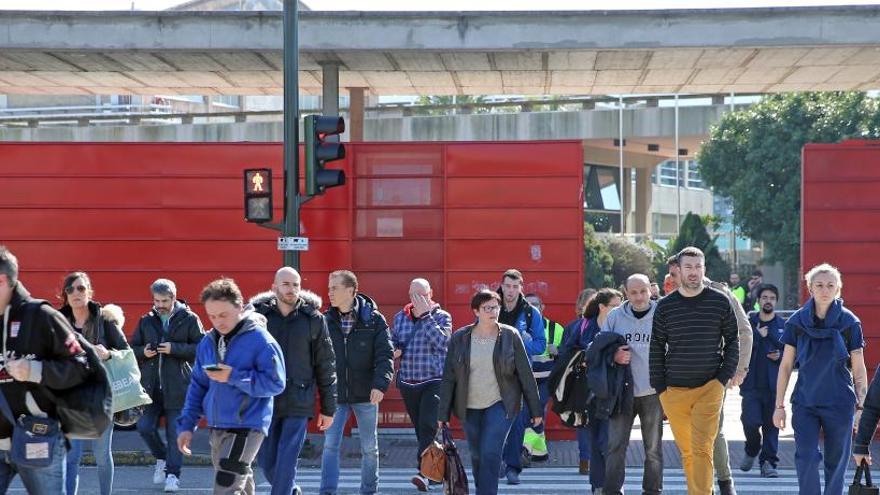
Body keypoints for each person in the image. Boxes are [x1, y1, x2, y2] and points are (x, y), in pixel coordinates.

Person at [176, 278, 286, 495]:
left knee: (226, 485)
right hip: (218, 425)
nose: (218, 321)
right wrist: (186, 426)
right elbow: (198, 386)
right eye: (212, 316)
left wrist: (233, 376)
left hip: (247, 425)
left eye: (223, 315)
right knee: (239, 486)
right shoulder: (207, 343)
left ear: (240, 307)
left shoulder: (261, 341)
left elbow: (275, 383)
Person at [0, 246, 92, 494]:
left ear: (3, 281)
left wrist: (34, 370)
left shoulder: (41, 316)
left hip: (38, 436)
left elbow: (80, 367)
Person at [650, 247, 739, 495]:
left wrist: (722, 378)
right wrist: (660, 387)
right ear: (678, 270)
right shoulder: (666, 307)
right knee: (689, 452)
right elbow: (656, 346)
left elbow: (733, 340)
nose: (693, 272)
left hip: (710, 387)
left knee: (701, 448)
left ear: (704, 269)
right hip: (673, 390)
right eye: (688, 267)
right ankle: (703, 490)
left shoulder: (719, 302)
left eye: (698, 267)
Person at [774, 263, 867, 495]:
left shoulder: (850, 323)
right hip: (805, 402)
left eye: (830, 285)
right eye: (819, 285)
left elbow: (858, 368)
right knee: (806, 457)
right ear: (810, 288)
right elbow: (785, 367)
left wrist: (861, 406)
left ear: (838, 289)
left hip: (840, 403)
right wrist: (779, 406)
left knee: (836, 462)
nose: (825, 290)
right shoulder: (796, 322)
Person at [437, 289, 542, 495]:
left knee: (491, 452)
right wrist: (443, 413)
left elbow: (525, 375)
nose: (493, 312)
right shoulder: (460, 338)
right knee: (477, 455)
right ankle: (482, 490)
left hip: (501, 404)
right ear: (476, 311)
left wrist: (535, 409)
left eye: (495, 307)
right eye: (487, 308)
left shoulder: (511, 336)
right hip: (469, 406)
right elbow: (449, 377)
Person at [667, 254, 753, 495]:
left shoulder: (721, 294)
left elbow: (744, 332)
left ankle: (724, 482)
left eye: (694, 268)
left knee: (712, 431)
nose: (676, 279)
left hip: (714, 375)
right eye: (677, 273)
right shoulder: (672, 300)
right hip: (680, 378)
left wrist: (739, 369)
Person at [252, 267, 337, 495]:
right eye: (286, 284)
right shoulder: (259, 319)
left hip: (300, 398)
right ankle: (290, 490)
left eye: (296, 284)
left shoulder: (313, 320)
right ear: (274, 287)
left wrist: (328, 408)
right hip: (266, 400)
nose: (291, 289)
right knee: (266, 461)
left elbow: (326, 364)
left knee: (288, 458)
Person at [320, 270, 394, 495]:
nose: (330, 292)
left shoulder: (374, 319)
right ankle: (327, 492)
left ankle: (369, 491)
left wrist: (380, 384)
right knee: (330, 446)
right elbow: (319, 358)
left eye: (335, 288)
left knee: (369, 448)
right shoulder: (325, 320)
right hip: (336, 395)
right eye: (329, 287)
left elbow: (385, 354)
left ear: (351, 291)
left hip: (366, 394)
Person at [131, 278, 205, 493]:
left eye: (164, 301)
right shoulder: (146, 320)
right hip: (150, 387)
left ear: (173, 298)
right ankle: (162, 458)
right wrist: (142, 352)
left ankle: (173, 475)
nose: (160, 305)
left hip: (179, 387)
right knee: (144, 426)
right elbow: (132, 348)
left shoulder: (190, 319)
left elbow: (201, 348)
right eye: (156, 301)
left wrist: (175, 348)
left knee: (175, 433)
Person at [59, 271, 129, 495]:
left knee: (101, 456)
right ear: (65, 295)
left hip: (101, 397)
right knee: (71, 458)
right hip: (71, 398)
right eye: (71, 289)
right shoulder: (59, 321)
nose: (76, 293)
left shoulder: (104, 320)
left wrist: (108, 354)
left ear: (89, 292)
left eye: (81, 288)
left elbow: (126, 352)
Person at [602, 274, 663, 495]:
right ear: (626, 293)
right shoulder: (615, 317)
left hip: (653, 392)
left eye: (643, 291)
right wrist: (614, 354)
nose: (639, 297)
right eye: (634, 292)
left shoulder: (662, 314)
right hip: (622, 391)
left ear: (650, 290)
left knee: (653, 449)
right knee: (615, 447)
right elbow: (599, 348)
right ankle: (612, 491)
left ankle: (652, 491)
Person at [390, 278, 451, 492]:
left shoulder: (442, 317)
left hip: (434, 380)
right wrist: (394, 349)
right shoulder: (400, 317)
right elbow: (394, 341)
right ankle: (435, 472)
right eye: (414, 295)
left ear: (431, 294)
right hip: (409, 381)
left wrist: (426, 316)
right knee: (422, 430)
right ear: (408, 294)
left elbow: (443, 343)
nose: (418, 299)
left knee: (428, 425)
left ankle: (423, 474)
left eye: (422, 295)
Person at [565, 288, 621, 494]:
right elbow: (567, 355)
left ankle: (610, 486)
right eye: (615, 306)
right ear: (602, 307)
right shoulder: (581, 327)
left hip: (612, 392)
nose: (619, 309)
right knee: (596, 442)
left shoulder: (621, 326)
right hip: (586, 393)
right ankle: (598, 485)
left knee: (607, 441)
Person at [497, 269, 546, 484]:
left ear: (521, 288)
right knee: (492, 420)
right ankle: (496, 461)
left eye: (515, 287)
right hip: (491, 374)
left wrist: (524, 339)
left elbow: (541, 345)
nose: (510, 291)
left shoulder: (530, 313)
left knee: (517, 423)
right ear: (501, 285)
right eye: (507, 286)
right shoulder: (491, 307)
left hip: (519, 376)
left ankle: (512, 468)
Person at [739, 284, 784, 478]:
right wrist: (758, 335)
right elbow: (740, 347)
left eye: (772, 298)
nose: (768, 301)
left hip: (774, 387)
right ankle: (752, 448)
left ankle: (768, 463)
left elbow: (793, 355)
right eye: (764, 297)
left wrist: (780, 355)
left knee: (771, 426)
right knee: (750, 422)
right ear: (758, 301)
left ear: (776, 301)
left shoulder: (783, 325)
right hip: (750, 385)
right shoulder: (748, 323)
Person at [521, 293, 564, 463]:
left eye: (536, 304)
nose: (532, 307)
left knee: (537, 410)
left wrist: (558, 351)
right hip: (525, 379)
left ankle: (526, 448)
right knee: (527, 414)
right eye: (528, 304)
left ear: (542, 307)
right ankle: (538, 452)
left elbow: (567, 354)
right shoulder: (518, 328)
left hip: (547, 379)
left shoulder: (557, 328)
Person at [560, 288, 596, 475]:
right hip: (582, 379)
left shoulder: (574, 326)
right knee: (583, 421)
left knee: (587, 421)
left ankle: (587, 460)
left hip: (587, 379)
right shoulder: (575, 327)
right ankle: (586, 460)